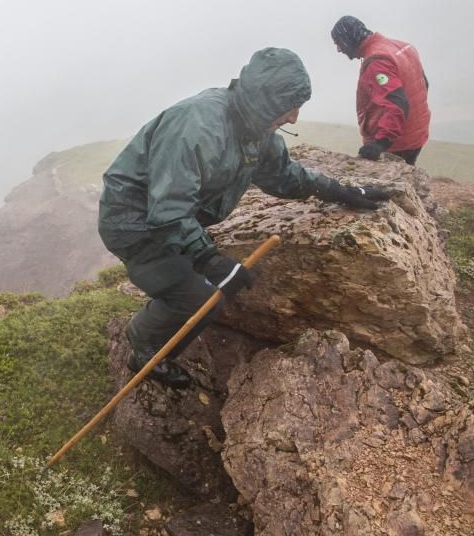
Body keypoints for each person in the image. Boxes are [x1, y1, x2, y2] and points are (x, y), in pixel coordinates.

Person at [97, 47, 389, 389]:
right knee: (200, 296)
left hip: (167, 214)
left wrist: (341, 191)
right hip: (133, 222)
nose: (293, 117)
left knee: (203, 283)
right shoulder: (199, 125)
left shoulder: (254, 129)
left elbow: (285, 176)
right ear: (266, 100)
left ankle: (171, 285)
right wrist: (208, 260)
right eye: (290, 106)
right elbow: (168, 211)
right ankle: (143, 345)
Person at [331, 15, 431, 165]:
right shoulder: (402, 46)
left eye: (339, 43)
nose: (338, 49)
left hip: (397, 143)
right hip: (416, 134)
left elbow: (396, 103)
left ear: (349, 39)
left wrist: (380, 143)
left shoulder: (377, 62)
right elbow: (424, 83)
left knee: (386, 186)